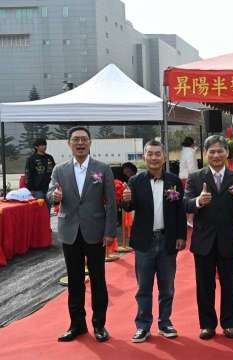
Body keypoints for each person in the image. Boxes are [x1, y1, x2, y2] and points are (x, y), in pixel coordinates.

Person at [46, 126, 117, 342]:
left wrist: (110, 231)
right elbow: (50, 194)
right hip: (69, 232)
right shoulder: (60, 170)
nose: (80, 143)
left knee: (98, 279)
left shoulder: (102, 169)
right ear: (69, 143)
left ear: (90, 142)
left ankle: (99, 325)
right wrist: (54, 196)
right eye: (75, 139)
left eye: (83, 139)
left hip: (95, 232)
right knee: (75, 280)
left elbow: (111, 203)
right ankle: (77, 324)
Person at [184, 135, 233, 340]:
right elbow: (184, 204)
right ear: (205, 154)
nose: (216, 155)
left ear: (227, 153)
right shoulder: (195, 178)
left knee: (229, 284)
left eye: (220, 151)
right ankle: (207, 325)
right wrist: (198, 202)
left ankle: (230, 323)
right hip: (203, 242)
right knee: (205, 285)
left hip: (229, 241)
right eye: (211, 151)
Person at [121, 140, 187, 343]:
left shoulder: (174, 181)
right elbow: (128, 208)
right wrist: (125, 199)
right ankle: (143, 326)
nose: (154, 157)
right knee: (144, 288)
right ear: (144, 157)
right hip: (144, 242)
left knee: (167, 287)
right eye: (149, 154)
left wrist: (181, 236)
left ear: (164, 157)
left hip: (167, 241)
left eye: (158, 153)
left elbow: (180, 211)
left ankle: (165, 322)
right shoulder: (136, 181)